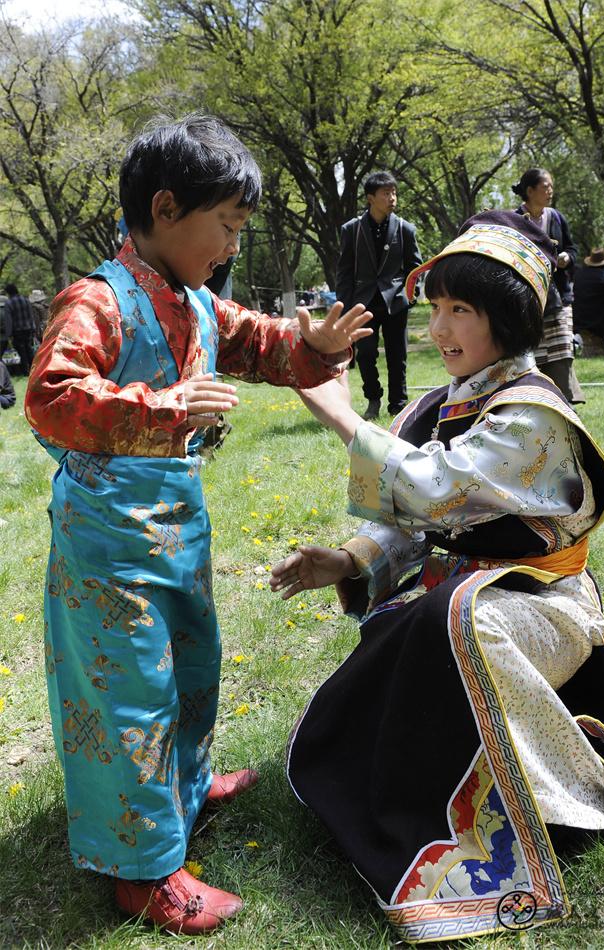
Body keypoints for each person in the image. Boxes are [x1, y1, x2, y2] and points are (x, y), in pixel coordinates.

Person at [24, 114, 372, 936]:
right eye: (226, 225)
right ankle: (143, 871)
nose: (232, 246)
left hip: (177, 529)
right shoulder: (97, 301)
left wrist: (312, 346)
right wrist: (164, 406)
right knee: (131, 694)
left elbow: (261, 342)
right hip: (108, 545)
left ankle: (183, 789)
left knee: (191, 665)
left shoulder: (198, 304)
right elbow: (50, 396)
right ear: (166, 207)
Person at [270, 212, 604, 944]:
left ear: (505, 322)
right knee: (434, 618)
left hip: (544, 611)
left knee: (454, 619)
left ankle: (528, 801)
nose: (440, 329)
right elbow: (418, 523)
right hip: (459, 605)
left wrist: (346, 419)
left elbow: (438, 488)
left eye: (462, 311)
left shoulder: (532, 415)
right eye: (436, 308)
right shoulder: (437, 405)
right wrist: (348, 560)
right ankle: (413, 787)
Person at [336, 171, 422, 419]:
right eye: (386, 193)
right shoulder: (352, 229)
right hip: (363, 303)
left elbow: (414, 268)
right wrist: (345, 307)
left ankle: (398, 405)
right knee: (365, 354)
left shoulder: (405, 229)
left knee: (398, 356)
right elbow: (344, 271)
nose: (392, 198)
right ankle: (373, 400)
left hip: (395, 302)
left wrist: (410, 296)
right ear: (370, 198)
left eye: (394, 192)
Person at [513, 168, 585, 403]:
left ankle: (566, 401)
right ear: (530, 191)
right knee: (532, 352)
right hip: (528, 298)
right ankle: (537, 399)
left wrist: (567, 257)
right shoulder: (515, 220)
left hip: (559, 296)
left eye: (551, 186)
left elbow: (572, 248)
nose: (550, 191)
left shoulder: (556, 217)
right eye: (546, 187)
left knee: (562, 349)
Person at [3, 282, 36, 376]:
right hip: (28, 329)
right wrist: (33, 328)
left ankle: (26, 371)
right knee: (29, 349)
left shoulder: (9, 303)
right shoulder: (26, 300)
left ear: (8, 293)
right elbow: (31, 315)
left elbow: (8, 320)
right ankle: (35, 369)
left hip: (17, 331)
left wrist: (8, 334)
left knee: (21, 351)